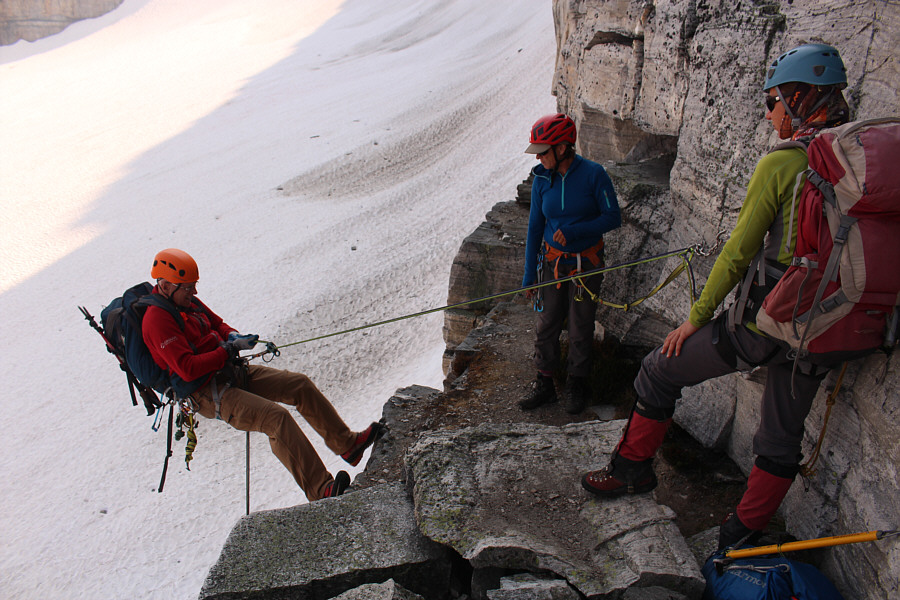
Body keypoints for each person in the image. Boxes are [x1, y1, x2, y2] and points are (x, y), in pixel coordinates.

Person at [580, 43, 862, 550]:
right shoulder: (862, 159)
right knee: (780, 437)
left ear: (798, 98)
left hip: (766, 324)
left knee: (659, 369)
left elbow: (737, 253)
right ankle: (741, 535)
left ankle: (631, 471)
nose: (770, 113)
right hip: (830, 326)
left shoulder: (785, 163)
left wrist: (696, 318)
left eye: (773, 100)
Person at [141, 248, 384, 502]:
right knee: (276, 419)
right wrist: (227, 350)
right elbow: (187, 368)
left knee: (298, 385)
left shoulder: (186, 302)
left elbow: (217, 324)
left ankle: (347, 445)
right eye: (188, 287)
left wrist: (232, 336)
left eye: (194, 286)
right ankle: (320, 490)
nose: (194, 292)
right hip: (206, 393)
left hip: (227, 371)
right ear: (166, 286)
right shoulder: (156, 320)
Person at [519, 113, 622, 414]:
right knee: (547, 322)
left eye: (543, 151)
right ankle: (545, 383)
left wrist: (576, 231)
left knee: (580, 325)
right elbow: (535, 229)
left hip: (585, 264)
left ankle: (577, 383)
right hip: (552, 263)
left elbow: (612, 217)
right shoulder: (541, 179)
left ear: (562, 148)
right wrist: (529, 276)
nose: (538, 157)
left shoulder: (594, 175)